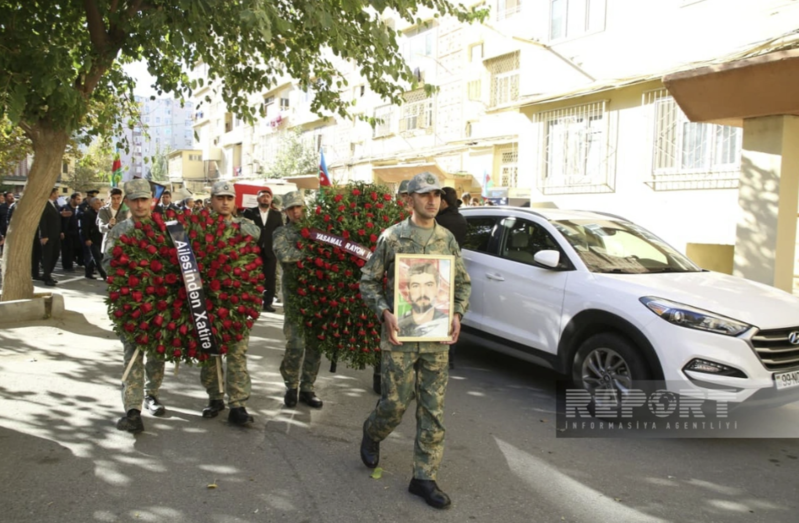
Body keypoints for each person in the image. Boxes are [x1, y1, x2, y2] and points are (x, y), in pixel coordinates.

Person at [359, 171, 470, 510]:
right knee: (394, 404)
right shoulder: (392, 239)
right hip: (400, 337)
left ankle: (423, 477)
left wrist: (457, 313)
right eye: (424, 195)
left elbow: (462, 284)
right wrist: (384, 313)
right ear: (409, 199)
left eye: (436, 194)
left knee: (433, 410)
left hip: (436, 339)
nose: (432, 200)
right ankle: (373, 431)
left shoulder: (447, 240)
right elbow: (368, 282)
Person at [103, 179, 166, 433]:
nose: (140, 205)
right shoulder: (118, 231)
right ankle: (132, 410)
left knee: (157, 354)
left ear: (152, 200)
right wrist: (131, 269)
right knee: (132, 355)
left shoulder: (167, 229)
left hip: (162, 303)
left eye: (144, 199)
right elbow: (108, 264)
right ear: (127, 202)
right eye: (135, 200)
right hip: (131, 304)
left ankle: (152, 393)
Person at [200, 181, 261, 426]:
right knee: (210, 351)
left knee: (237, 353)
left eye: (229, 198)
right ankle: (215, 397)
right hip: (208, 299)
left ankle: (238, 404)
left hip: (237, 300)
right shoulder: (200, 226)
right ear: (211, 200)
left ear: (234, 201)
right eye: (219, 197)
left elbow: (253, 236)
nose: (224, 202)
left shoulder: (246, 226)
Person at [272, 191, 324, 409]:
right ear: (285, 211)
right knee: (296, 344)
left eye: (298, 207)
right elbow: (286, 255)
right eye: (291, 208)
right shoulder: (280, 233)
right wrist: (314, 255)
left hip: (317, 296)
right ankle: (291, 384)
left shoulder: (316, 232)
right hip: (294, 297)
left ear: (304, 208)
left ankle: (307, 387)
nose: (295, 211)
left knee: (315, 344)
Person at [242, 188, 283, 313]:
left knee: (270, 278)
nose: (265, 198)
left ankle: (267, 303)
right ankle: (251, 302)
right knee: (252, 276)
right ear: (258, 198)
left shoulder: (276, 215)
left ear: (271, 199)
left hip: (270, 251)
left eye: (268, 196)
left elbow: (279, 232)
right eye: (263, 196)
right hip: (254, 250)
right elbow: (244, 229)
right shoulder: (249, 212)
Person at [397, 263, 451, 338]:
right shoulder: (397, 324)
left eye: (429, 285)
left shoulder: (446, 322)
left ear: (438, 287)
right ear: (408, 289)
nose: (422, 293)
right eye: (415, 286)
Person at [38, 188, 62, 287]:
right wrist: (44, 235)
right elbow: (42, 221)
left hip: (56, 235)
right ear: (51, 194)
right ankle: (47, 277)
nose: (58, 195)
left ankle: (47, 274)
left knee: (55, 255)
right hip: (48, 236)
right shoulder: (45, 204)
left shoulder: (54, 204)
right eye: (56, 193)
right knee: (47, 257)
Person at [80, 197, 107, 280]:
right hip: (92, 239)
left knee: (95, 257)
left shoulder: (101, 213)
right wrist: (87, 238)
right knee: (98, 258)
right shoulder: (88, 214)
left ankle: (88, 272)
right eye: (97, 203)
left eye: (100, 203)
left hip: (100, 238)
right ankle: (104, 275)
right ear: (91, 205)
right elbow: (85, 228)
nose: (99, 205)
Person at [98, 188, 127, 255]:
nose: (116, 201)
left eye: (118, 198)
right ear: (109, 198)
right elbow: (101, 228)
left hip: (123, 244)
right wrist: (109, 225)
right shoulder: (103, 210)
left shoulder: (126, 210)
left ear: (121, 198)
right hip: (109, 245)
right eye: (113, 198)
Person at [60, 192, 83, 272]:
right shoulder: (65, 208)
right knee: (67, 250)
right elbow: (62, 221)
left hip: (74, 233)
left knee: (73, 250)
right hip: (67, 233)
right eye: (78, 199)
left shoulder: (77, 209)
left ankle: (71, 264)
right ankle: (67, 266)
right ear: (72, 199)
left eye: (80, 199)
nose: (79, 201)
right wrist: (62, 231)